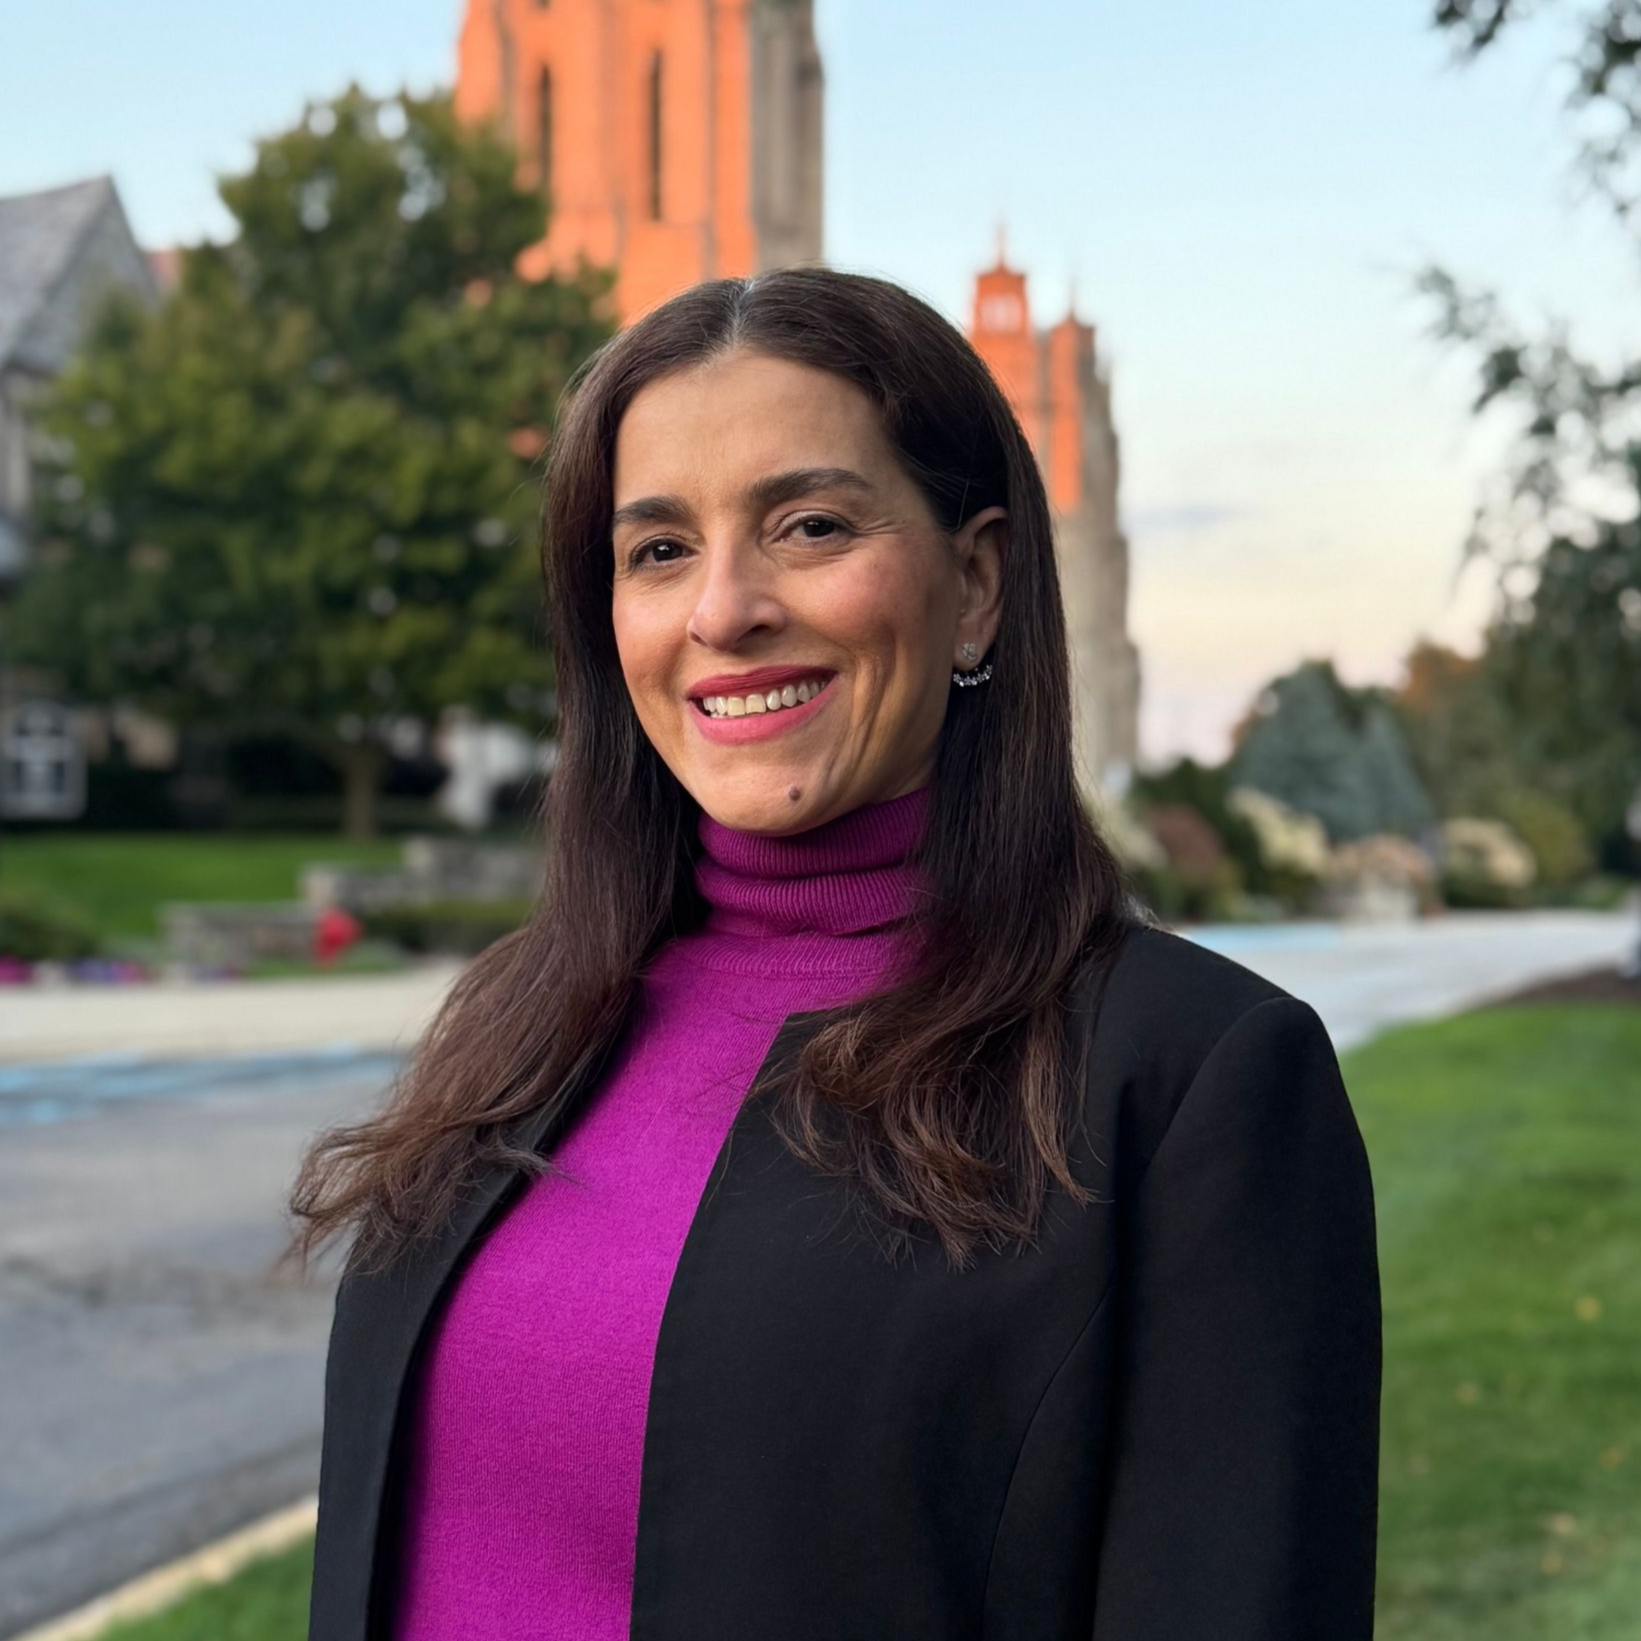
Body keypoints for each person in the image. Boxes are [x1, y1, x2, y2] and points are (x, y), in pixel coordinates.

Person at [290, 266, 1381, 1641]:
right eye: (659, 550)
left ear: (975, 583)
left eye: (807, 526)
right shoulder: (523, 1015)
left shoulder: (1186, 1083)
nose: (723, 611)